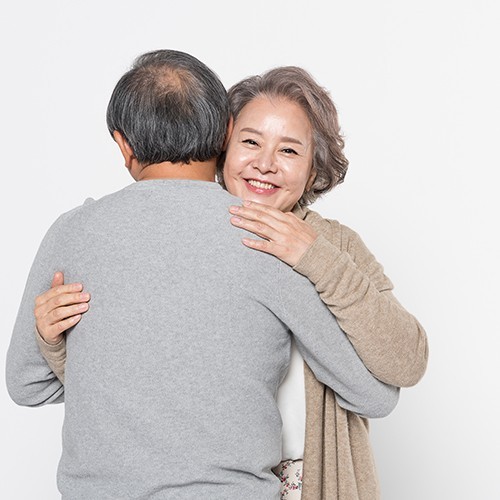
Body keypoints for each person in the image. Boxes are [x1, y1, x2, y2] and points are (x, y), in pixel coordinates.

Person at [6, 50, 399, 500]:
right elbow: (373, 395)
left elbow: (27, 386)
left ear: (123, 144)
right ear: (225, 132)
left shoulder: (72, 233)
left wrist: (54, 341)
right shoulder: (265, 235)